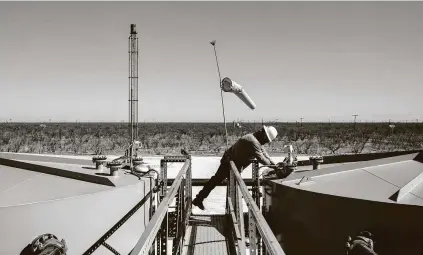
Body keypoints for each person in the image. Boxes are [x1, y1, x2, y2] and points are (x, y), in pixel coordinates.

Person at [192, 125, 283, 210]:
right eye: (266, 140)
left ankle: (199, 199)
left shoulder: (254, 138)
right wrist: (274, 167)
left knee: (217, 182)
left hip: (231, 162)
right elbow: (261, 158)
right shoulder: (253, 141)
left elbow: (264, 152)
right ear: (264, 136)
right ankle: (231, 211)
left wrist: (273, 164)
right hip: (228, 164)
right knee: (227, 185)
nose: (265, 142)